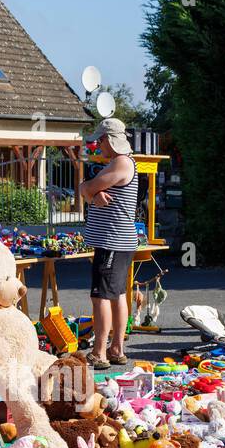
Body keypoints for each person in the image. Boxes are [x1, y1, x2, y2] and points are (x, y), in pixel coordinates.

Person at [80, 118, 140, 370]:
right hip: (120, 240)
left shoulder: (120, 163)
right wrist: (92, 193)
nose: (97, 146)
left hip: (112, 240)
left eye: (100, 140)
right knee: (117, 295)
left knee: (101, 296)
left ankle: (100, 352)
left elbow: (86, 187)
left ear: (109, 140)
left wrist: (89, 191)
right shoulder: (122, 163)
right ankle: (116, 348)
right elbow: (91, 190)